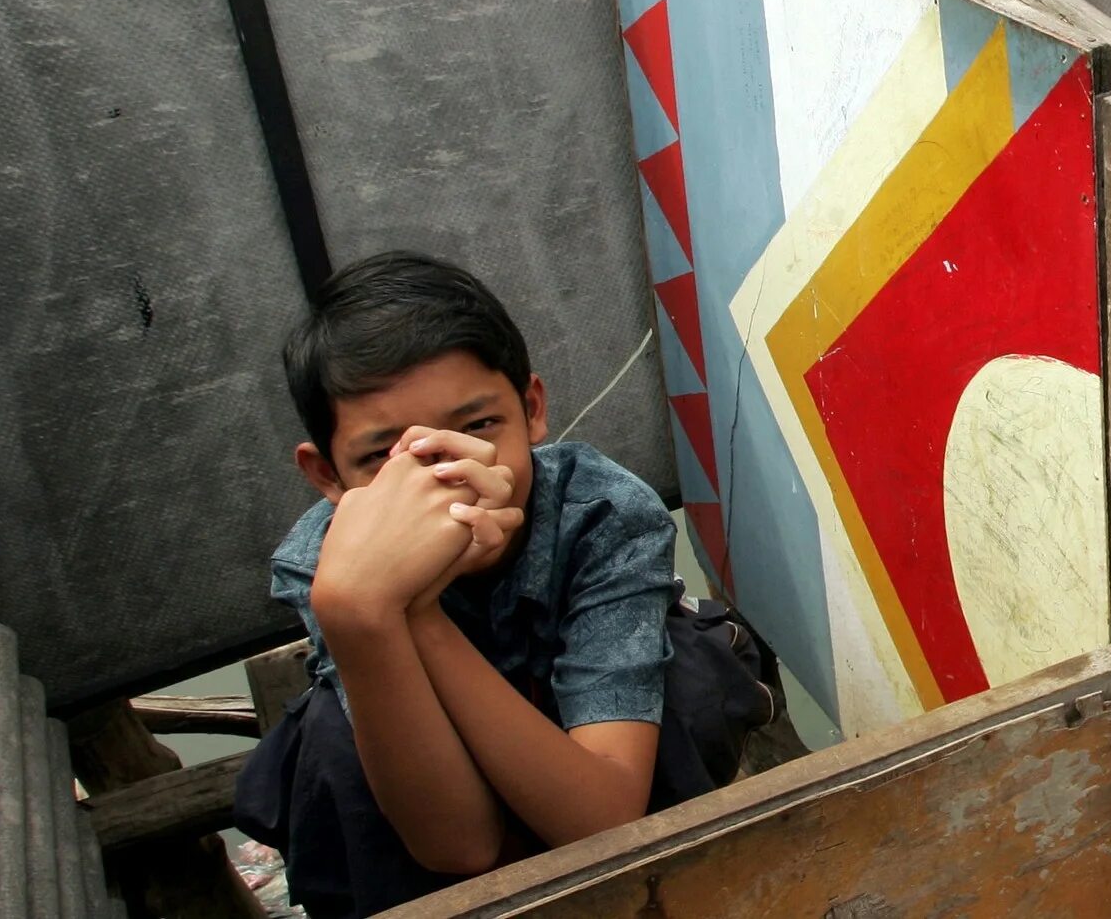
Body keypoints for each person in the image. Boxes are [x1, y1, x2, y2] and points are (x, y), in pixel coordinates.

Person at [235, 252, 776, 917]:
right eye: (385, 457)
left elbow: (600, 815)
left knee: (685, 676)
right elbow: (459, 847)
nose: (447, 477)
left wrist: (419, 611)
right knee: (332, 741)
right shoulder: (330, 562)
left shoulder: (601, 515)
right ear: (326, 475)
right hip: (437, 784)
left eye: (478, 427)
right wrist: (373, 611)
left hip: (595, 766)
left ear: (532, 409)